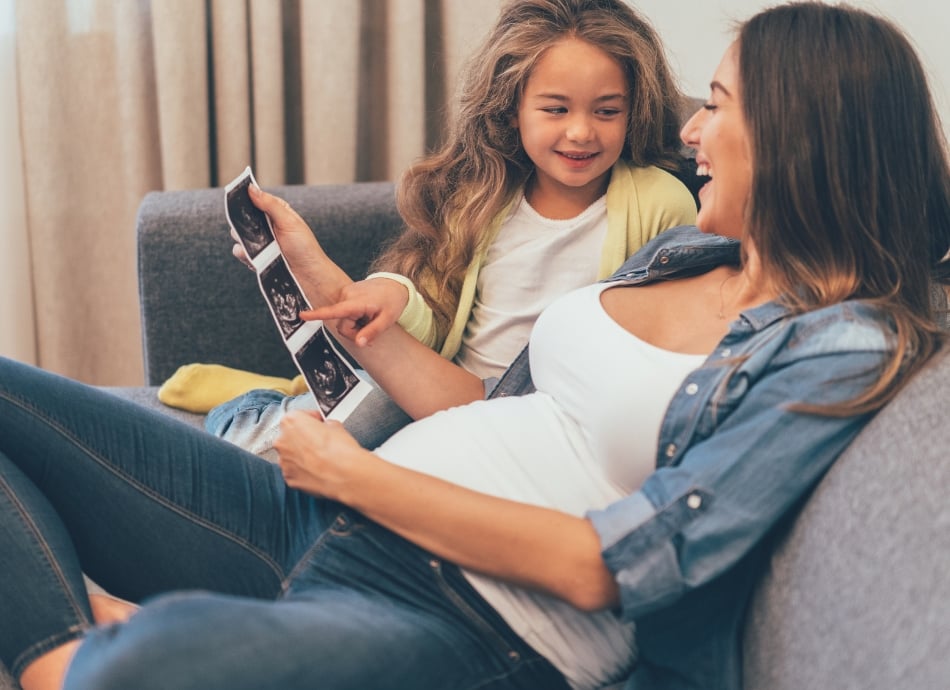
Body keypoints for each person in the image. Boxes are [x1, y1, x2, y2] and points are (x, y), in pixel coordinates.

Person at [1, 3, 949, 689]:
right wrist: (338, 301)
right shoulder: (684, 253)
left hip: (463, 615)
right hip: (320, 520)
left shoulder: (840, 348)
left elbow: (610, 565)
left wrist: (354, 475)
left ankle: (80, 657)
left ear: (800, 136)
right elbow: (493, 415)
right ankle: (78, 654)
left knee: (146, 667)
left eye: (718, 104)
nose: (690, 131)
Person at [198, 0, 697, 457]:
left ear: (634, 112)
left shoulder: (660, 204)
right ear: (512, 108)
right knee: (279, 444)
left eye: (607, 111)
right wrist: (392, 292)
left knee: (355, 444)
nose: (582, 131)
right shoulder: (483, 196)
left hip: (534, 410)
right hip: (442, 385)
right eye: (556, 109)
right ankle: (247, 405)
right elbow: (435, 310)